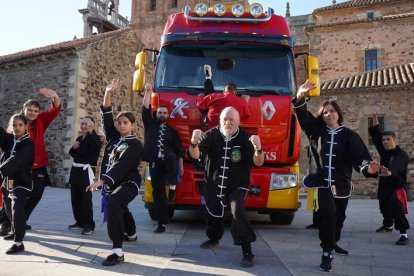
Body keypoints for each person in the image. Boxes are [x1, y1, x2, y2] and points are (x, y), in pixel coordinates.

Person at [293, 80, 378, 272]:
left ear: (338, 114)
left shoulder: (350, 136)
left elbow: (360, 159)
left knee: (339, 218)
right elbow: (303, 115)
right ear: (322, 116)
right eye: (325, 112)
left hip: (341, 183)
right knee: (328, 214)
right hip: (322, 182)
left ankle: (333, 242)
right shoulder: (317, 131)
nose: (328, 114)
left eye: (332, 111)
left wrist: (368, 169)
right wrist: (300, 96)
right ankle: (326, 252)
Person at [189, 106, 265, 267]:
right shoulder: (211, 135)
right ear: (219, 120)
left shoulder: (245, 138)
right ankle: (214, 238)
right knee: (213, 213)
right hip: (214, 184)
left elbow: (258, 162)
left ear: (238, 121)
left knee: (237, 209)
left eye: (231, 119)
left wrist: (258, 148)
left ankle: (247, 251)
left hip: (238, 185)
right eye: (225, 119)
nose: (227, 122)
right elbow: (195, 156)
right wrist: (193, 143)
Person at [86, 79, 143, 266]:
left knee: (115, 202)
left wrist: (102, 181)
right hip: (113, 183)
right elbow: (106, 115)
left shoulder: (135, 144)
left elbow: (123, 165)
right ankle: (132, 234)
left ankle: (117, 252)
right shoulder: (113, 138)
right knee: (120, 207)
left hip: (129, 183)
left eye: (125, 123)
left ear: (132, 125)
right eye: (119, 123)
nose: (121, 126)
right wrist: (108, 92)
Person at [142, 84, 185, 234]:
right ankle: (162, 223)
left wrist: (182, 167)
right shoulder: (150, 125)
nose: (162, 114)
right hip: (155, 164)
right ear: (156, 114)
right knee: (158, 194)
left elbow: (180, 151)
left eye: (165, 112)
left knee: (172, 155)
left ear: (168, 115)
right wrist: (148, 91)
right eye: (159, 112)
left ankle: (172, 187)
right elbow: (145, 109)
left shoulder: (172, 132)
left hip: (169, 163)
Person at [369, 104, 410, 245]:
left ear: (395, 140)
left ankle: (403, 234)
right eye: (384, 140)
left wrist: (390, 171)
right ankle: (387, 225)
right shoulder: (384, 151)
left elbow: (398, 165)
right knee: (384, 207)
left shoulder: (401, 154)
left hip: (397, 186)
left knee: (396, 208)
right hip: (384, 185)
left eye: (388, 139)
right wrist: (374, 116)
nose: (385, 142)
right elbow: (375, 133)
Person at [23, 88, 62, 228]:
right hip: (21, 166)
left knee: (36, 194)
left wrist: (55, 96)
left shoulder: (41, 120)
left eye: (35, 110)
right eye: (30, 110)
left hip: (39, 165)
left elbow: (55, 110)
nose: (33, 113)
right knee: (16, 196)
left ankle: (22, 219)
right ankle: (5, 221)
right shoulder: (17, 122)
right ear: (24, 110)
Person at [0, 114, 34, 254]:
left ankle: (19, 242)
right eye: (14, 125)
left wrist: (1, 171)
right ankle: (15, 231)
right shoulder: (9, 140)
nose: (17, 128)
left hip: (21, 181)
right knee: (7, 208)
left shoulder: (28, 144)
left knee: (17, 207)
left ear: (26, 127)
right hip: (8, 181)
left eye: (20, 125)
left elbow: (16, 159)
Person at [68, 116, 102, 235]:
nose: (83, 126)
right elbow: (72, 153)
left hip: (86, 172)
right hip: (75, 171)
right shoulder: (79, 138)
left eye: (86, 124)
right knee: (75, 199)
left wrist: (91, 132)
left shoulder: (95, 138)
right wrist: (74, 147)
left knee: (86, 200)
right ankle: (79, 222)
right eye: (82, 124)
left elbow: (95, 147)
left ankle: (89, 225)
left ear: (92, 125)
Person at [196, 65, 250, 129]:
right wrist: (245, 102)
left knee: (208, 97)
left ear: (224, 91)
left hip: (213, 130)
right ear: (235, 92)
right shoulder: (242, 102)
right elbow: (246, 116)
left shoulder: (214, 96)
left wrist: (200, 97)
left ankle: (208, 78)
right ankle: (208, 78)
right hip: (230, 132)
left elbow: (199, 103)